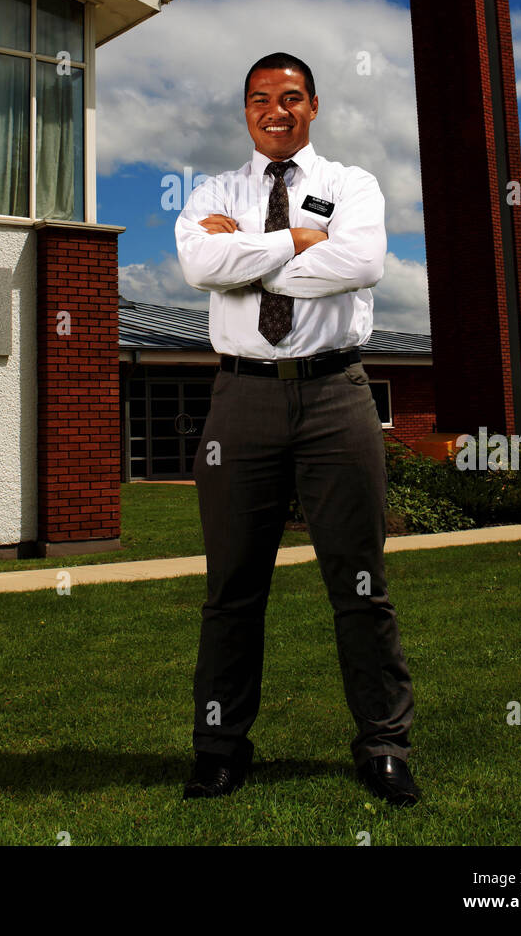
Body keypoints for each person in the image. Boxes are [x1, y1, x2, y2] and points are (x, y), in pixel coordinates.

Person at [174, 51, 419, 806]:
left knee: (360, 582)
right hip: (240, 400)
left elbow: (364, 261)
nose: (273, 111)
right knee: (232, 590)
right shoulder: (214, 190)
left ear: (313, 105)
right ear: (244, 110)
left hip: (335, 396)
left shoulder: (352, 185)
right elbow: (198, 263)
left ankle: (383, 744)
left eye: (289, 98)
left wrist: (244, 260)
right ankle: (219, 749)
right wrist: (298, 243)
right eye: (258, 99)